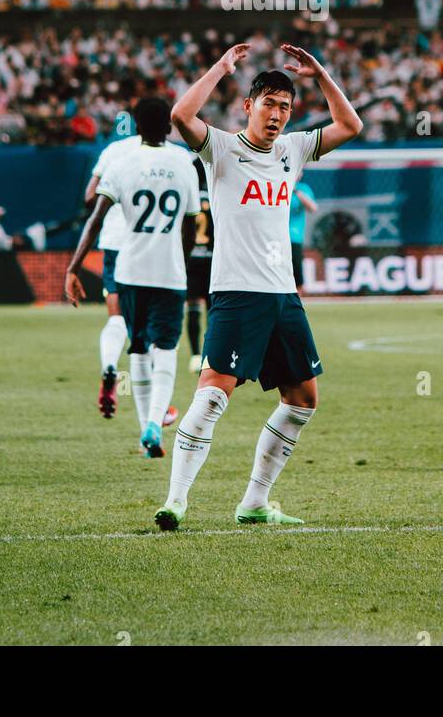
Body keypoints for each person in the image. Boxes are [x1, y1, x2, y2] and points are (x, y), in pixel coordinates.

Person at [155, 41, 362, 531]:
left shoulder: (293, 150)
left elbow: (351, 126)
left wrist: (320, 76)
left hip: (283, 298)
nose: (276, 115)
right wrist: (222, 66)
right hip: (235, 294)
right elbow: (181, 114)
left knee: (303, 399)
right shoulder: (222, 149)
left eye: (285, 107)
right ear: (248, 106)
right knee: (211, 396)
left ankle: (254, 502)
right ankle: (176, 501)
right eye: (268, 103)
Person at [65, 99, 199, 458]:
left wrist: (73, 268)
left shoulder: (121, 162)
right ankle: (156, 422)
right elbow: (190, 225)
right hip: (169, 273)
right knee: (166, 350)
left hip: (129, 270)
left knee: (137, 348)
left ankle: (145, 430)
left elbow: (94, 217)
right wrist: (181, 262)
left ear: (137, 127)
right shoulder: (184, 162)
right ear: (170, 127)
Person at [85, 132, 143, 417]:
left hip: (113, 243)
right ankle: (154, 404)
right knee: (146, 326)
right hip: (148, 245)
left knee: (117, 316)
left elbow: (88, 198)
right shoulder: (172, 154)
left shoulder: (113, 151)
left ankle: (110, 367)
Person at [186, 157, 214, 372]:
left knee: (193, 308)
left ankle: (195, 354)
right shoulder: (217, 195)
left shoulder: (190, 195)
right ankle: (211, 355)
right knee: (214, 310)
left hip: (192, 258)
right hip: (214, 259)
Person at [289, 179, 317, 293]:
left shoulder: (303, 189)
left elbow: (313, 208)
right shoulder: (277, 183)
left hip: (294, 237)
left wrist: (296, 191)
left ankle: (297, 302)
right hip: (275, 237)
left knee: (296, 273)